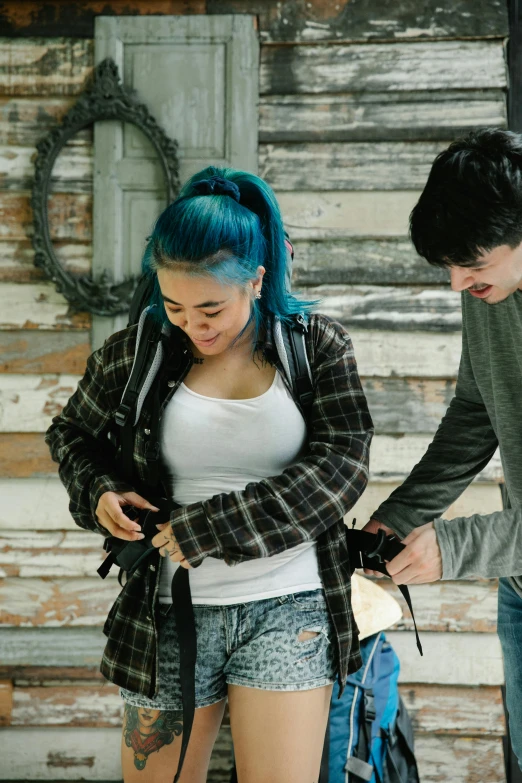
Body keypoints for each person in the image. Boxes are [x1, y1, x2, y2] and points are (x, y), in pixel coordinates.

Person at [45, 167, 373, 783]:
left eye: (211, 308)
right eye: (174, 306)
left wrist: (208, 528)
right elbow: (71, 437)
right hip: (165, 614)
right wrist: (100, 494)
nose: (194, 326)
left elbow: (341, 468)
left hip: (290, 605)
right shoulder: (137, 351)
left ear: (257, 278)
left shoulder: (317, 347)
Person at [362, 128, 522, 768]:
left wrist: (451, 547)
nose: (458, 283)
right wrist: (398, 519)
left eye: (473, 265)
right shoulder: (491, 292)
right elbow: (474, 413)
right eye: (449, 266)